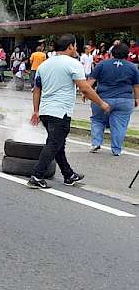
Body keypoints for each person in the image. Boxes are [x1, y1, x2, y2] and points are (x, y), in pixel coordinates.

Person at [26, 34, 111, 189]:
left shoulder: (44, 65)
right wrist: (101, 103)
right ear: (70, 46)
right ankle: (37, 176)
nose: (76, 49)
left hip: (45, 111)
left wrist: (36, 110)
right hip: (61, 111)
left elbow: (37, 89)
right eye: (75, 46)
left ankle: (68, 175)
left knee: (58, 144)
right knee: (54, 143)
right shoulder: (73, 64)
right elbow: (84, 88)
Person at [87, 43, 139, 156]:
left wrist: (85, 93)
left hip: (102, 98)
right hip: (124, 99)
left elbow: (90, 82)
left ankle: (96, 143)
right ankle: (116, 149)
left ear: (111, 53)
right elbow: (136, 86)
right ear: (127, 54)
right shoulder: (132, 67)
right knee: (119, 125)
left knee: (98, 120)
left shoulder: (102, 64)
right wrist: (136, 98)